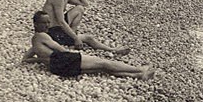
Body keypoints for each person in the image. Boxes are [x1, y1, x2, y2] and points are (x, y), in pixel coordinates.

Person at [23, 11, 153, 80]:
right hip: (65, 61)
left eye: (48, 22)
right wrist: (77, 55)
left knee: (102, 69)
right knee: (104, 63)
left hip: (56, 67)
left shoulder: (34, 40)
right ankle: (139, 69)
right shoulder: (43, 36)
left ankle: (139, 76)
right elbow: (60, 49)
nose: (47, 25)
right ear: (35, 24)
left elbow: (26, 59)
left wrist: (41, 60)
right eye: (44, 23)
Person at [42, 0, 129, 54]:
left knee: (80, 8)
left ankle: (72, 37)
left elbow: (84, 4)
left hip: (57, 29)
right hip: (52, 33)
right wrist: (76, 38)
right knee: (88, 38)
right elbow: (61, 22)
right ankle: (113, 50)